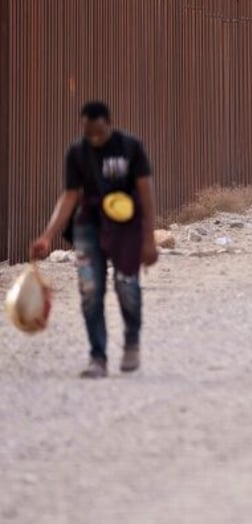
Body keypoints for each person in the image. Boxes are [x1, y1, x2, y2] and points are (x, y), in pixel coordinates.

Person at [30, 101, 158, 378]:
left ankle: (132, 341)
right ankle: (97, 357)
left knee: (127, 285)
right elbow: (70, 195)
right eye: (89, 133)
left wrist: (149, 239)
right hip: (89, 225)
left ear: (108, 124)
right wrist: (48, 235)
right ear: (83, 127)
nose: (95, 138)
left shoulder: (130, 147)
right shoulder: (77, 152)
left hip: (126, 225)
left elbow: (145, 193)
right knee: (90, 290)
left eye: (99, 133)